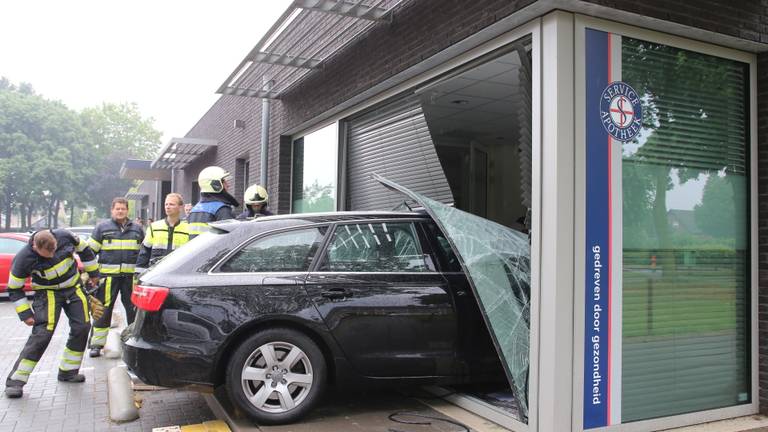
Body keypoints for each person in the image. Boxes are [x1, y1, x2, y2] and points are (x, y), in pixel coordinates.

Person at [4, 229, 99, 398]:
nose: (52, 256)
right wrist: (25, 313)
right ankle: (15, 381)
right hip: (47, 294)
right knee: (42, 335)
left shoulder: (65, 236)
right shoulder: (23, 259)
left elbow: (85, 249)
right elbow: (14, 288)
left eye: (54, 251)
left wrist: (94, 274)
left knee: (82, 327)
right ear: (35, 246)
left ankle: (68, 372)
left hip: (73, 288)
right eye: (47, 254)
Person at [87, 197, 145, 357]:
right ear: (112, 210)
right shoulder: (102, 228)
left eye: (123, 209)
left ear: (127, 210)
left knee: (133, 310)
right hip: (108, 278)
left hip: (130, 278)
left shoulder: (138, 229)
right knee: (103, 311)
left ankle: (135, 342)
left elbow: (144, 253)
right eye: (117, 209)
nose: (120, 211)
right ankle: (96, 345)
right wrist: (92, 274)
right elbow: (90, 252)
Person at [136, 193, 190, 274]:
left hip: (178, 273)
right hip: (156, 273)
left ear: (180, 207)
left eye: (171, 204)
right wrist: (138, 274)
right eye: (166, 204)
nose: (167, 207)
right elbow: (144, 253)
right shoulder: (154, 227)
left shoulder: (188, 229)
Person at [187, 166, 239, 239]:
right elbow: (230, 239)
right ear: (215, 185)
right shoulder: (222, 210)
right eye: (224, 182)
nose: (228, 185)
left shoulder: (194, 210)